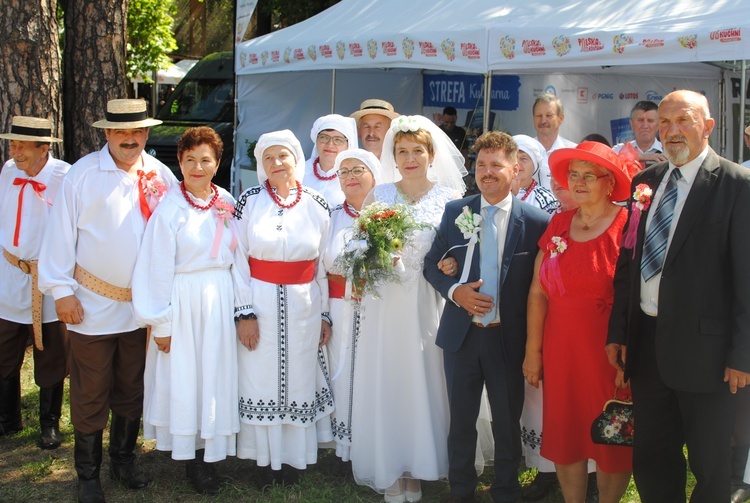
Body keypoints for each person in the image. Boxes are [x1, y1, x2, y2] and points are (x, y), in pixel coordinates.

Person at [606, 90, 750, 503]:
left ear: (707, 126)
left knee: (710, 466)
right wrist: (619, 331)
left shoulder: (738, 185)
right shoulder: (644, 184)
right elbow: (628, 266)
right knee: (652, 459)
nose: (671, 131)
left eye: (682, 121)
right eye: (664, 123)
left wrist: (743, 355)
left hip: (711, 355)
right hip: (648, 348)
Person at [38, 98, 177, 503]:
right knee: (90, 388)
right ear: (107, 134)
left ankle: (123, 459)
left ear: (147, 134)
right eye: (120, 132)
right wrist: (61, 292)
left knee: (132, 385)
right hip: (91, 305)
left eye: (137, 132)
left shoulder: (161, 175)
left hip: (141, 309)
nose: (129, 139)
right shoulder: (82, 175)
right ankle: (87, 475)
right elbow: (59, 235)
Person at [424, 131, 549, 503]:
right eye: (481, 165)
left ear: (516, 170)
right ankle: (461, 490)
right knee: (461, 419)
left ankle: (506, 490)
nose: (488, 172)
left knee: (507, 420)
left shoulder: (537, 222)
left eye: (497, 165)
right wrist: (454, 291)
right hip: (462, 336)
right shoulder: (456, 211)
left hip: (507, 337)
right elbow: (432, 265)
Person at [350, 115, 467, 503]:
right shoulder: (379, 196)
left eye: (418, 150)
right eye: (402, 151)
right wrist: (374, 257)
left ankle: (417, 467)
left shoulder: (451, 199)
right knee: (388, 378)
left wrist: (452, 264)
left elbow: (465, 251)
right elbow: (360, 247)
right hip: (386, 303)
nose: (410, 157)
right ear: (393, 156)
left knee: (425, 379)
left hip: (427, 301)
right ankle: (390, 467)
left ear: (431, 154)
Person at [132, 127, 252, 495]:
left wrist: (244, 309)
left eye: (205, 160)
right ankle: (192, 455)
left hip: (218, 299)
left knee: (214, 373)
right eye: (189, 160)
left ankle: (213, 447)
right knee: (187, 375)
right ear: (179, 163)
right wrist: (162, 322)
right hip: (183, 302)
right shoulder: (170, 208)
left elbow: (239, 259)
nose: (197, 167)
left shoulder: (227, 202)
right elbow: (156, 267)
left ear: (217, 163)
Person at [525, 141, 633, 503]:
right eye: (573, 175)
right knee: (566, 434)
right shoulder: (558, 222)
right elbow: (538, 292)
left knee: (611, 436)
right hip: (561, 350)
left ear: (609, 182)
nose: (579, 182)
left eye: (590, 175)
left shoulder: (628, 224)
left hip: (608, 352)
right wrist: (533, 351)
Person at [234, 130, 334, 487]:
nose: (277, 164)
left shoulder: (317, 203)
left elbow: (323, 264)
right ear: (261, 165)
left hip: (304, 305)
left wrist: (324, 314)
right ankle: (263, 461)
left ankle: (293, 460)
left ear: (296, 160)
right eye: (269, 158)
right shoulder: (248, 201)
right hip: (259, 303)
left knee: (299, 378)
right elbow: (238, 261)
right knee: (260, 377)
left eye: (284, 156)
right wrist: (244, 313)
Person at [0, 116, 70, 449]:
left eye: (21, 146)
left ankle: (49, 424)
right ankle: (8, 418)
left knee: (52, 352)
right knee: (3, 349)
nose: (14, 151)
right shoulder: (8, 170)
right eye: (12, 144)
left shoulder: (65, 177)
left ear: (43, 148)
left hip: (48, 279)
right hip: (9, 275)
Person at [320, 148, 382, 467]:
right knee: (340, 374)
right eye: (343, 172)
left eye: (357, 170)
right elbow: (318, 268)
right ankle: (342, 449)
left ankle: (371, 444)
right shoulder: (329, 216)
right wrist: (322, 313)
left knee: (371, 373)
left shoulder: (388, 215)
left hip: (376, 309)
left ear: (375, 174)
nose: (349, 178)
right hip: (338, 307)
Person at [302, 114, 358, 207]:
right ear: (316, 141)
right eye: (324, 138)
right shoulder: (299, 172)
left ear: (348, 145)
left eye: (338, 140)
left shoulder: (355, 177)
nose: (330, 144)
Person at [532, 93, 577, 189]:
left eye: (549, 115)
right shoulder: (522, 152)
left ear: (561, 118)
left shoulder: (573, 152)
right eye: (539, 116)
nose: (543, 121)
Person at [511, 134, 559, 214]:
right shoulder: (495, 191)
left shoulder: (547, 200)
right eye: (513, 158)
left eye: (524, 158)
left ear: (534, 165)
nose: (517, 163)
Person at [613, 101, 666, 170]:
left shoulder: (667, 151)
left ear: (659, 125)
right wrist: (642, 157)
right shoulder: (619, 149)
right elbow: (608, 161)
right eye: (640, 120)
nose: (645, 126)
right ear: (631, 124)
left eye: (650, 121)